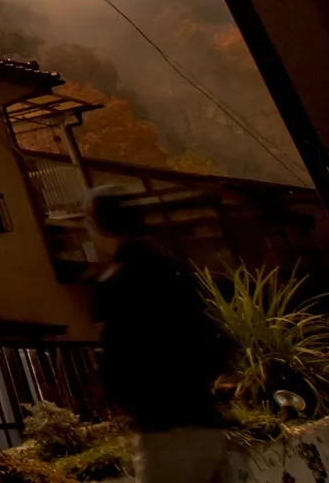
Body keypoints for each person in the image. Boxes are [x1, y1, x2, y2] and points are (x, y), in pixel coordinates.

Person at [89, 188, 234, 483]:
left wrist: (123, 396)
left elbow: (118, 360)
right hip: (206, 420)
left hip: (164, 426)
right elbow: (212, 339)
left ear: (98, 226)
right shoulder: (174, 270)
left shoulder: (116, 282)